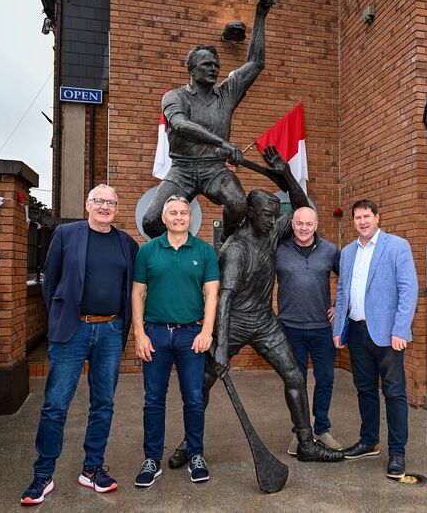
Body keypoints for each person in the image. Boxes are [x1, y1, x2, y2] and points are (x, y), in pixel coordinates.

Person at [169, 147, 344, 467]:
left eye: (276, 214)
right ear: (251, 213)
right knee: (204, 381)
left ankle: (306, 442)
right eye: (268, 214)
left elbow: (303, 210)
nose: (276, 219)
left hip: (264, 321)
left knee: (293, 375)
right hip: (233, 321)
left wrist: (287, 174)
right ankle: (190, 444)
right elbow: (224, 299)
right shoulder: (236, 248)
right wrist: (220, 348)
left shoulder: (271, 232)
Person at [21, 185, 139, 505]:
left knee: (103, 404)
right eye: (98, 201)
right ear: (87, 204)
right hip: (72, 331)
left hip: (111, 331)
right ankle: (43, 474)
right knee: (56, 405)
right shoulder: (66, 234)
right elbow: (51, 280)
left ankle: (92, 469)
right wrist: (63, 316)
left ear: (117, 207)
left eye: (111, 202)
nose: (104, 206)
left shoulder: (127, 243)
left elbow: (133, 288)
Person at [142, 0, 275, 240]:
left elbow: (256, 63)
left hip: (214, 169)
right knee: (151, 222)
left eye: (216, 65)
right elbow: (181, 125)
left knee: (238, 204)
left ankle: (225, 241)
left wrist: (260, 15)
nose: (214, 68)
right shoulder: (175, 97)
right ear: (191, 69)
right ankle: (181, 250)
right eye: (207, 65)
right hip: (182, 169)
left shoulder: (226, 93)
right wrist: (223, 143)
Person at [131, 195, 220, 486]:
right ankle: (151, 459)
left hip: (191, 335)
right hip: (155, 334)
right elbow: (137, 294)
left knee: (194, 399)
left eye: (183, 213)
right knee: (153, 399)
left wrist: (207, 331)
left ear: (190, 218)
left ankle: (196, 454)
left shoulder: (205, 251)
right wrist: (139, 333)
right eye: (173, 213)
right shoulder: (148, 251)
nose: (179, 217)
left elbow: (211, 294)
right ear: (164, 218)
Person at [332, 199, 418, 480]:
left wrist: (400, 331)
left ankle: (397, 452)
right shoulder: (347, 253)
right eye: (357, 218)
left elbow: (408, 291)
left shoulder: (397, 246)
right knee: (364, 389)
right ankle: (369, 441)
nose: (362, 222)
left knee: (394, 393)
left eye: (367, 216)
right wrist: (339, 329)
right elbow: (343, 291)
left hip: (388, 335)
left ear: (378, 218)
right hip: (357, 332)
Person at [276, 206, 342, 455]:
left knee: (325, 379)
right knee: (296, 383)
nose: (304, 228)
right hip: (289, 328)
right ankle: (300, 431)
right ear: (293, 224)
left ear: (316, 225)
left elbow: (347, 281)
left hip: (322, 328)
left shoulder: (330, 250)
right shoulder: (279, 249)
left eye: (309, 224)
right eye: (299, 223)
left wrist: (337, 305)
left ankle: (322, 429)